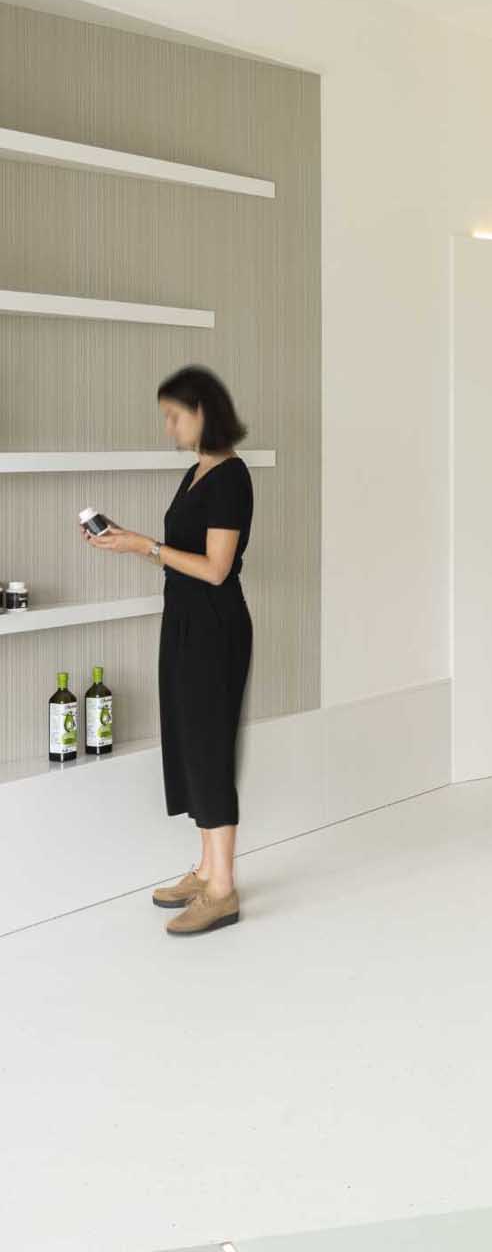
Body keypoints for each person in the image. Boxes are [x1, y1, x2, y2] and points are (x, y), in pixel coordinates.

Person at [86, 365, 255, 936]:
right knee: (189, 740)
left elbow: (215, 568)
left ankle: (224, 890)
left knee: (209, 745)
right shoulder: (196, 473)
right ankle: (208, 871)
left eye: (173, 416)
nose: (169, 428)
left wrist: (146, 546)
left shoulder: (231, 476)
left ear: (203, 411)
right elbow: (176, 550)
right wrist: (131, 543)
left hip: (213, 624)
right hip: (183, 621)